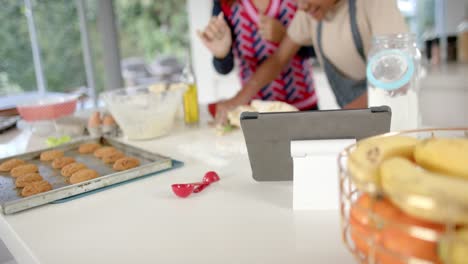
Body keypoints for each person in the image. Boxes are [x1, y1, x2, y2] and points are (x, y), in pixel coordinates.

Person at [213, 0, 408, 123]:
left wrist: (334, 121)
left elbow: (394, 81)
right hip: (355, 122)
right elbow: (278, 59)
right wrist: (237, 100)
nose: (301, 6)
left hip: (393, 120)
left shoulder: (376, 4)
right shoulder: (310, 12)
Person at [198, 0, 319, 123]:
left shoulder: (301, 3)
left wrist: (287, 37)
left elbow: (319, 48)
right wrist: (221, 54)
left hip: (302, 108)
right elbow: (224, 68)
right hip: (255, 113)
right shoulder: (225, 4)